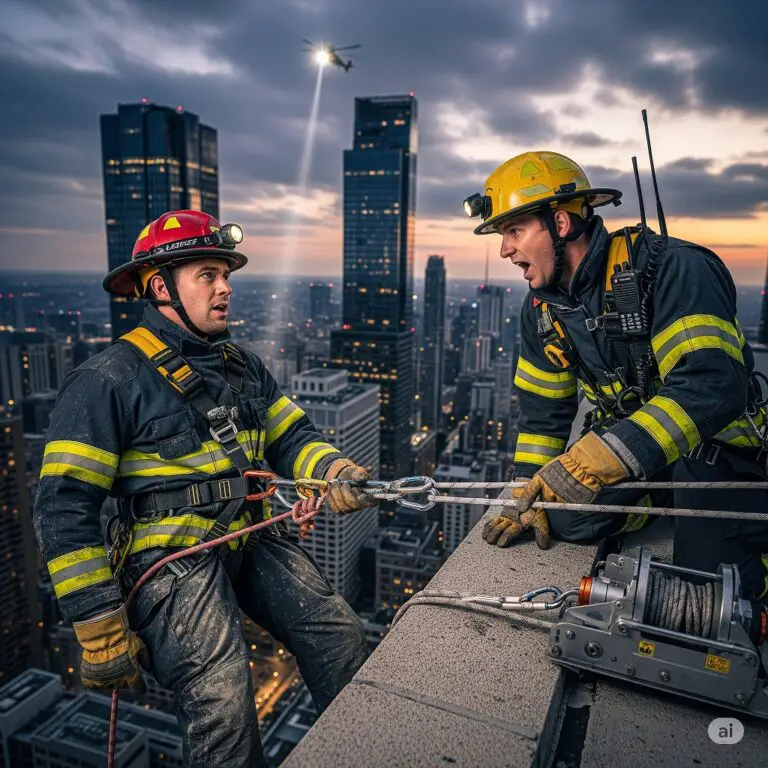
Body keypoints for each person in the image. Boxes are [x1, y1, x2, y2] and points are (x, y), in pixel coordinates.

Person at [33, 210, 374, 767]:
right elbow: (63, 507)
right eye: (208, 275)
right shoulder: (108, 379)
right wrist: (98, 624)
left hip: (248, 536)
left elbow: (295, 438)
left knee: (339, 637)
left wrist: (333, 470)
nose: (225, 289)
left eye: (227, 275)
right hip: (173, 559)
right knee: (223, 699)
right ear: (159, 286)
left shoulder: (243, 367)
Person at [463, 151, 768, 604]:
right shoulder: (543, 312)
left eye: (514, 231)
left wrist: (593, 461)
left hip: (717, 454)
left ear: (560, 224)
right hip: (641, 456)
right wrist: (527, 496)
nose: (505, 249)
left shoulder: (672, 270)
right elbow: (543, 418)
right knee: (564, 517)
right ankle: (657, 500)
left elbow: (710, 385)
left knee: (713, 589)